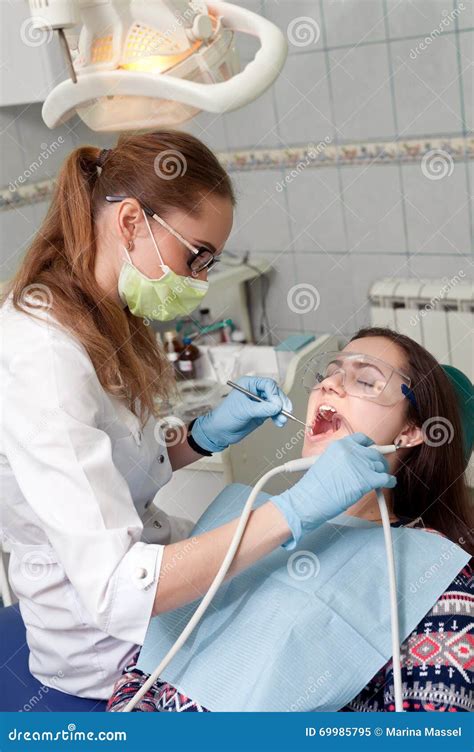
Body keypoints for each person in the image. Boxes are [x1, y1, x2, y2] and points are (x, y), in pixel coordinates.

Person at [0, 131, 394, 701]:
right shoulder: (41, 354)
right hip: (107, 656)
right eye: (197, 254)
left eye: (211, 260)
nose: (202, 279)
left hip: (167, 607)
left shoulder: (101, 310)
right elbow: (116, 591)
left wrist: (200, 438)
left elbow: (113, 466)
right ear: (131, 222)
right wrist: (295, 509)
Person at [106, 328, 473, 713]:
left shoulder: (433, 579)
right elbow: (147, 665)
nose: (330, 384)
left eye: (365, 380)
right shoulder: (244, 523)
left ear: (411, 432)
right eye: (328, 374)